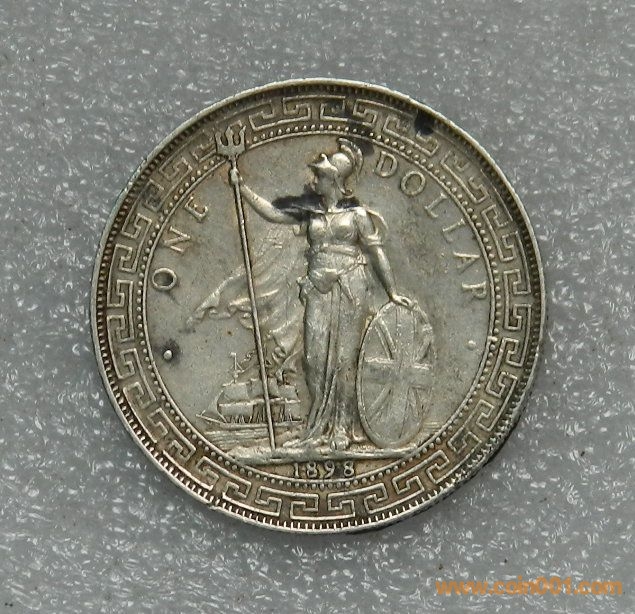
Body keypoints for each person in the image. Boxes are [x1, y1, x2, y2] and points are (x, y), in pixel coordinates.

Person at [232, 138, 412, 451]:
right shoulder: (311, 214)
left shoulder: (357, 216)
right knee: (313, 359)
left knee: (344, 359)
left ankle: (342, 428)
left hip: (350, 285)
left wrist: (392, 292)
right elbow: (273, 213)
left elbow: (376, 253)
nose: (313, 180)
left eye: (320, 175)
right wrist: (242, 188)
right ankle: (317, 427)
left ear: (335, 180)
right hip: (317, 287)